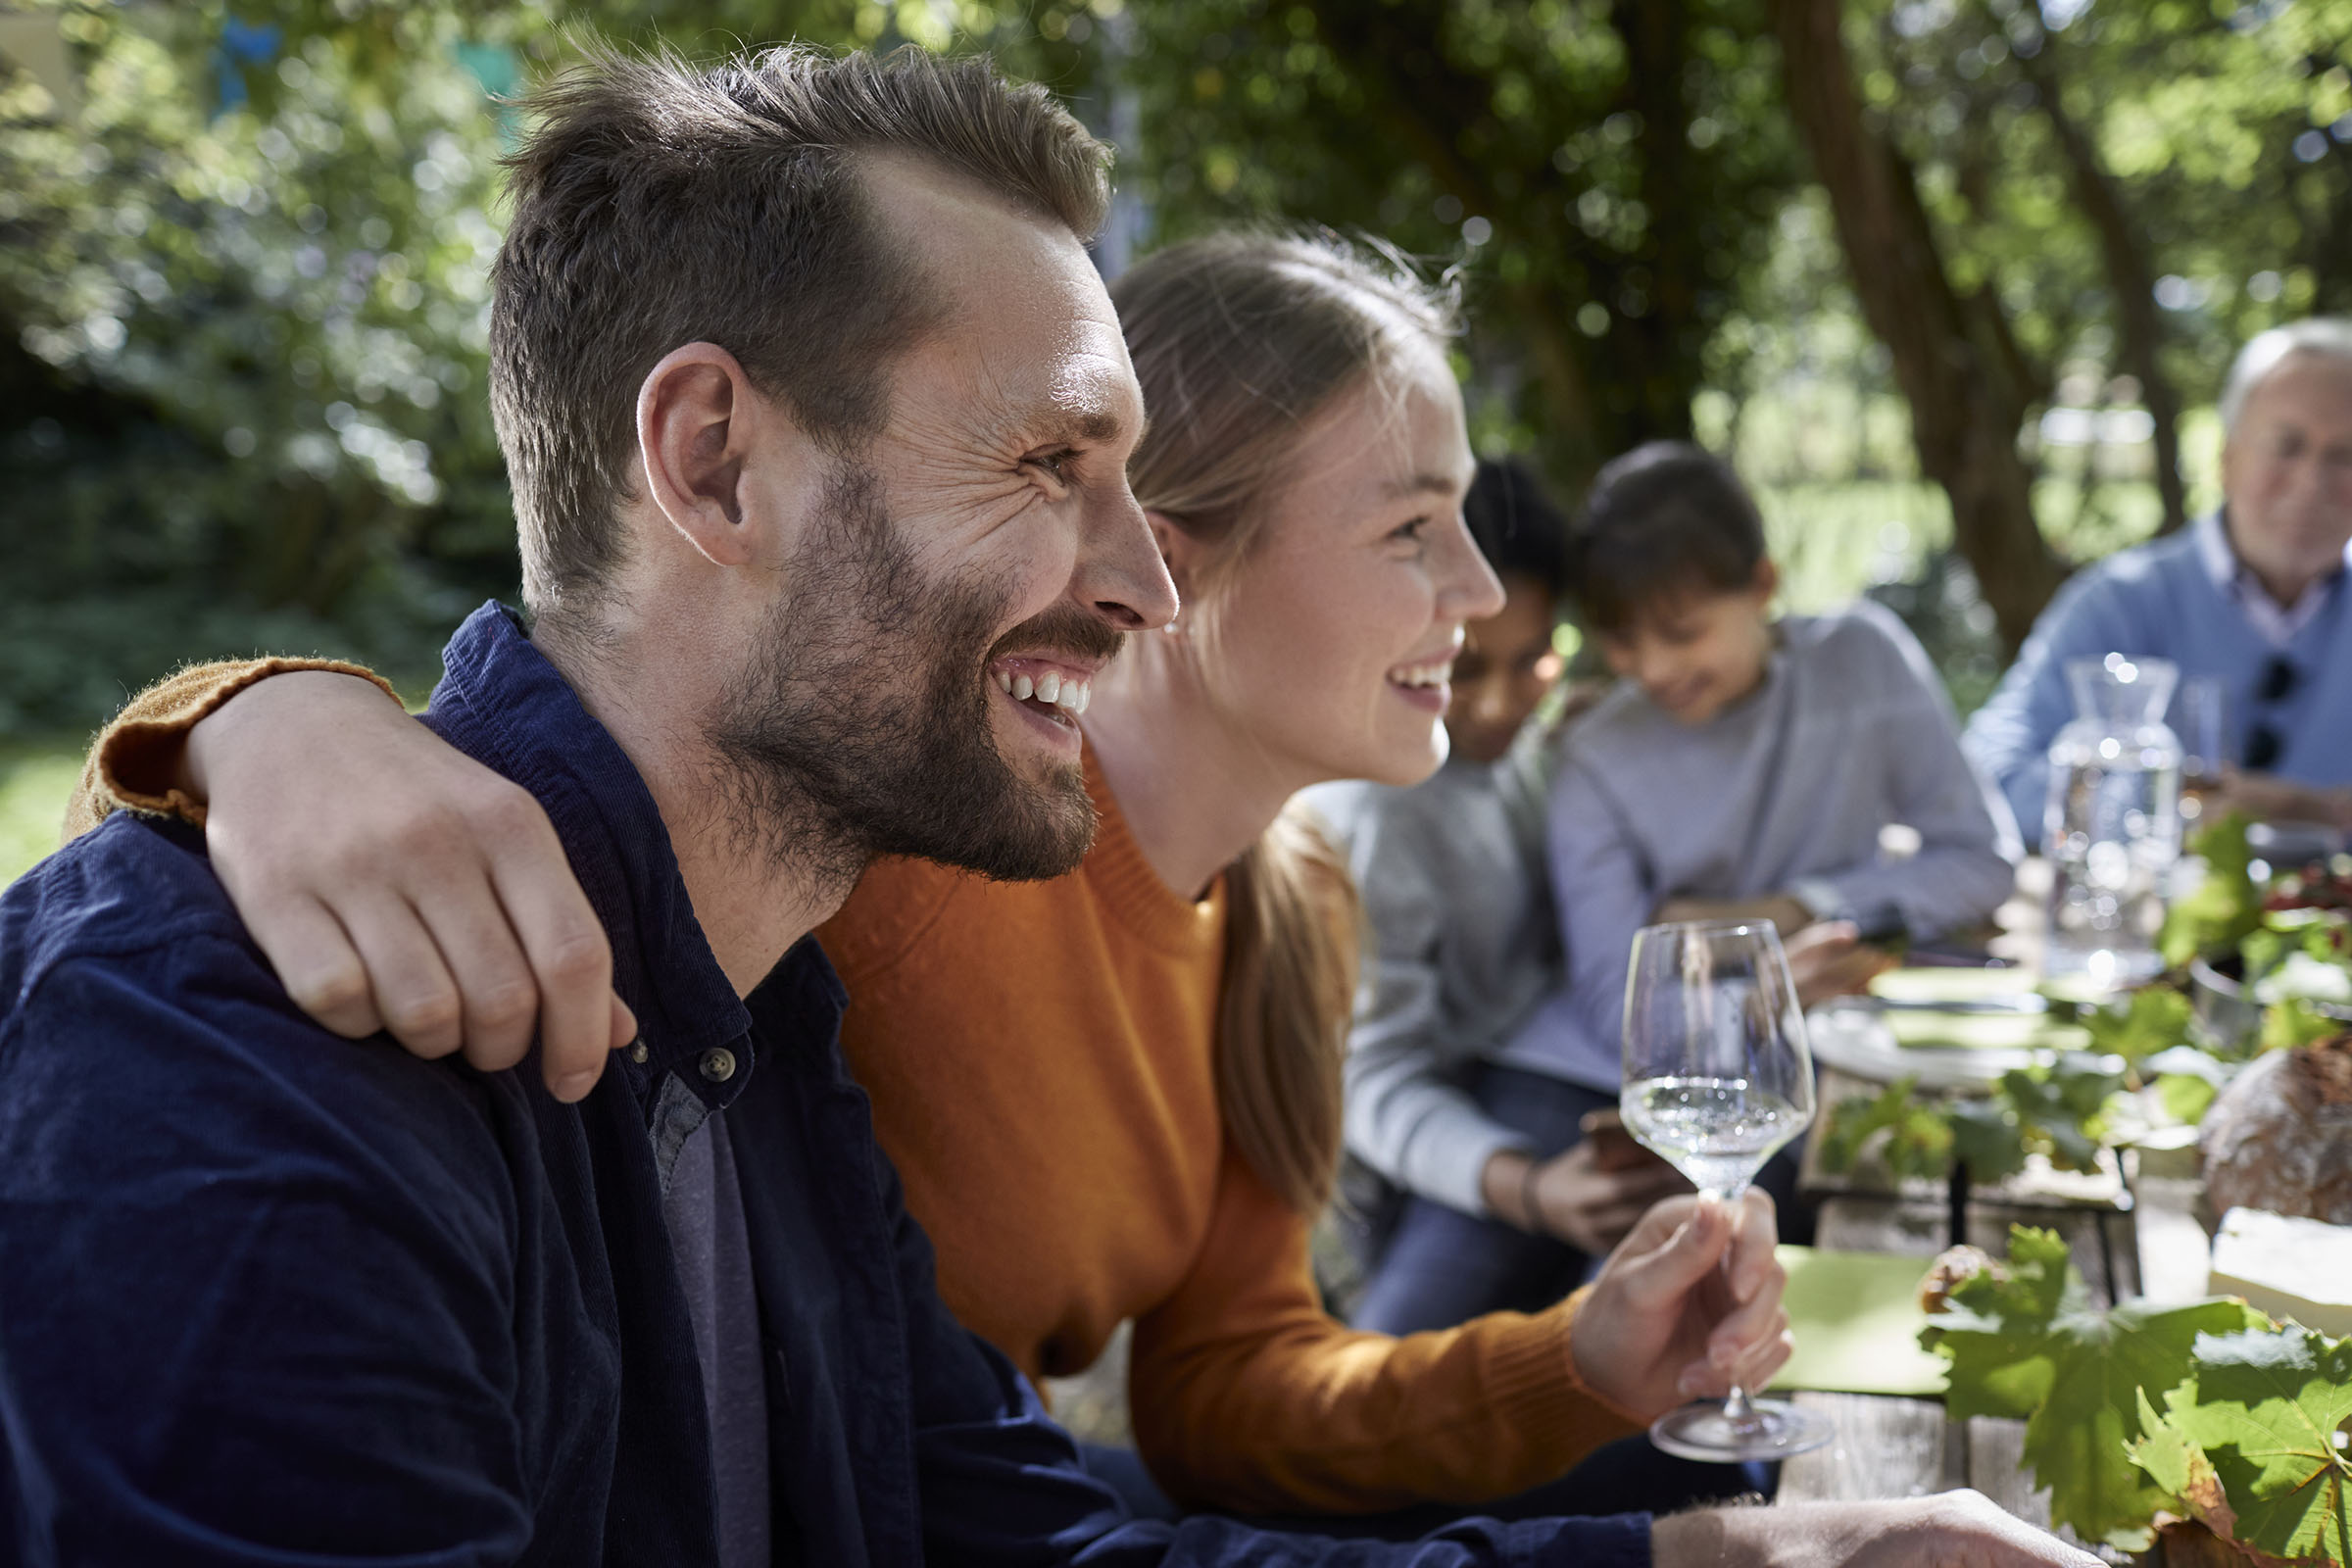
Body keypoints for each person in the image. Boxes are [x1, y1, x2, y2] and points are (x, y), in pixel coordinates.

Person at [26, 51, 2099, 1568]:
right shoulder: (254, 1027)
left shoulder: (769, 1018)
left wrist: (1714, 1559)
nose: (1139, 580)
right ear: (719, 466)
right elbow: (117, 957)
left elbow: (1026, 1524)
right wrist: (232, 733)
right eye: (1049, 465)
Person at [1311, 458, 1887, 1340]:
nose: (1503, 703)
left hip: (1589, 1109)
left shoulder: (1545, 757)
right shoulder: (1374, 812)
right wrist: (1527, 1189)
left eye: (1533, 661)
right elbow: (1374, 1079)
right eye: (1466, 671)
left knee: (1682, 1324)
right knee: (1388, 1388)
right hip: (1456, 1154)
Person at [1503, 441, 2020, 1109]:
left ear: (1763, 586)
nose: (1654, 670)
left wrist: (1787, 912)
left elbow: (1983, 863)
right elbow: (1616, 1008)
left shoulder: (1862, 663)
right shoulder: (1594, 752)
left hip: (1809, 1058)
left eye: (1683, 632)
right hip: (1601, 1082)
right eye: (1623, 642)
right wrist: (1767, 997)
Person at [1964, 318, 2352, 841]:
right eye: (2287, 446)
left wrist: (2305, 809)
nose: (2312, 482)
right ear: (2227, 458)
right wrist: (2163, 806)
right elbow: (1988, 776)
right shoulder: (2121, 602)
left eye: (2344, 455)